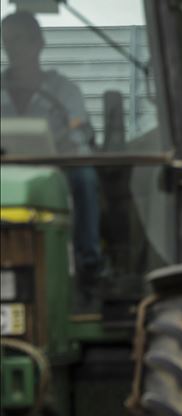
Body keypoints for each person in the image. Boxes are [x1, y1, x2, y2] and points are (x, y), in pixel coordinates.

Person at [1, 11, 102, 292]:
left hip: (57, 169)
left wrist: (67, 144)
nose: (12, 49)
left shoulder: (64, 90)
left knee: (85, 176)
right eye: (6, 42)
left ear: (38, 43)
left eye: (19, 40)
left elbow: (79, 132)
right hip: (5, 171)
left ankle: (88, 263)